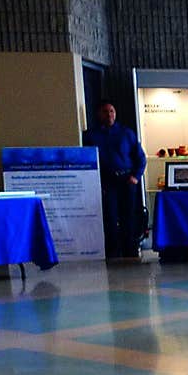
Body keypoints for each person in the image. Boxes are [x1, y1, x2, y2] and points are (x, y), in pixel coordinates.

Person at [82, 99, 146, 259]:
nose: (109, 114)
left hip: (127, 179)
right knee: (110, 217)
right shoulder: (92, 135)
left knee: (129, 217)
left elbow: (141, 157)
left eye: (112, 111)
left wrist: (136, 177)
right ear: (99, 114)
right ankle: (113, 252)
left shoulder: (126, 133)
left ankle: (130, 251)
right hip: (107, 182)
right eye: (105, 111)